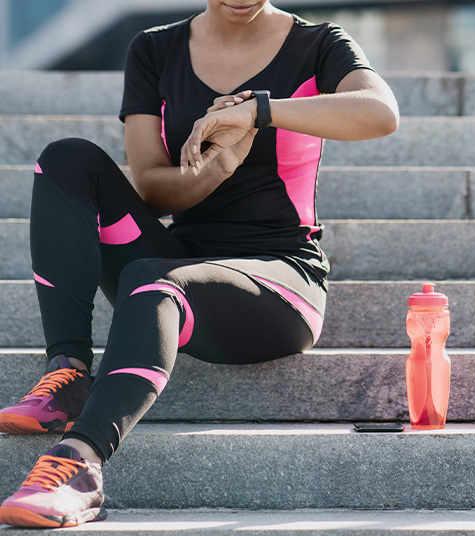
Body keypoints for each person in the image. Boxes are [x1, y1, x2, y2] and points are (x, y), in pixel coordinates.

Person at [0, 0, 398, 528]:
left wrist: (258, 110)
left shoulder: (318, 43)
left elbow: (379, 112)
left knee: (154, 280)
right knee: (67, 158)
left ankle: (81, 464)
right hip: (175, 260)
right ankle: (69, 371)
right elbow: (152, 189)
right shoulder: (155, 48)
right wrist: (219, 165)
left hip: (277, 280)